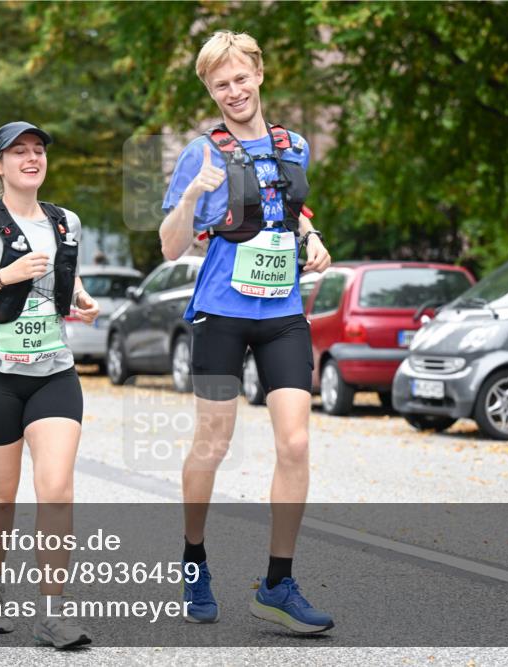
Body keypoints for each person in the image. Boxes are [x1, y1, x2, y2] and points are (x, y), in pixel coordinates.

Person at [158, 31, 335, 633]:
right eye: (219, 84)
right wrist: (191, 198)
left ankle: (278, 583)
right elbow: (171, 245)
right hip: (221, 313)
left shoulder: (295, 146)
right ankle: (193, 558)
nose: (232, 91)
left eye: (240, 78)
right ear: (210, 91)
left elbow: (288, 213)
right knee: (213, 441)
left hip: (282, 314)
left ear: (258, 74)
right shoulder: (200, 154)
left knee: (297, 444)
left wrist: (312, 240)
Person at [0, 122, 100, 649]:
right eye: (18, 152)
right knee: (0, 495)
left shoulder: (65, 220)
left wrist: (82, 297)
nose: (31, 158)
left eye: (38, 150)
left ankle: (53, 612)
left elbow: (62, 278)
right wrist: (6, 275)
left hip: (54, 375)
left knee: (56, 489)